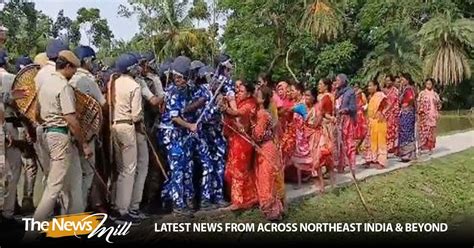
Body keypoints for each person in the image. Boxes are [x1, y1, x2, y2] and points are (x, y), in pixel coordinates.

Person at [31, 50, 90, 223]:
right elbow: (71, 118)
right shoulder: (63, 86)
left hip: (50, 134)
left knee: (75, 179)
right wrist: (84, 144)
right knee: (54, 186)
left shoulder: (45, 84)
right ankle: (32, 231)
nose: (74, 74)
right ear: (67, 66)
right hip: (61, 135)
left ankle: (75, 222)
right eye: (74, 70)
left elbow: (37, 114)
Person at [109, 53, 149, 224]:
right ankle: (123, 210)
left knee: (120, 169)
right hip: (127, 127)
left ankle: (116, 205)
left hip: (114, 126)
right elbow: (136, 115)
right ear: (131, 68)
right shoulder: (134, 86)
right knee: (129, 169)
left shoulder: (114, 83)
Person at [70, 45, 106, 210]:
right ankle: (80, 210)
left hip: (71, 132)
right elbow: (103, 104)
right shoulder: (87, 80)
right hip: (87, 133)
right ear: (86, 61)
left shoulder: (69, 79)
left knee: (74, 175)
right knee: (88, 172)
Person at [160, 56, 197, 217]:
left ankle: (188, 199)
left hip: (184, 136)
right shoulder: (173, 92)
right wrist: (190, 125)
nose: (183, 80)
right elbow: (174, 117)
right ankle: (177, 203)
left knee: (187, 167)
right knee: (177, 169)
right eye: (181, 77)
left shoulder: (186, 90)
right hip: (173, 135)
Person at [223, 80, 257, 211]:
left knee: (239, 170)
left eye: (241, 90)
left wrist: (227, 108)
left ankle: (238, 201)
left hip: (243, 142)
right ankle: (246, 198)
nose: (238, 92)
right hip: (235, 140)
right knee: (233, 168)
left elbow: (236, 114)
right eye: (237, 89)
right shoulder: (240, 101)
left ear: (248, 93)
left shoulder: (249, 104)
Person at [251, 85, 284, 221]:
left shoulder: (262, 114)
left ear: (263, 99)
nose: (255, 95)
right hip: (270, 147)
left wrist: (250, 128)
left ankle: (272, 212)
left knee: (266, 180)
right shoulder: (266, 113)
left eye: (258, 94)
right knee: (271, 179)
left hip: (265, 148)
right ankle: (276, 210)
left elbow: (258, 135)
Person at [0, 49, 23, 225]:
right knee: (13, 170)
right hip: (9, 125)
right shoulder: (11, 78)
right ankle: (7, 212)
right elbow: (20, 105)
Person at [334, 74, 356, 173]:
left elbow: (353, 107)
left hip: (347, 120)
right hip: (338, 120)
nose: (336, 82)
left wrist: (343, 110)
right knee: (339, 144)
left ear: (343, 81)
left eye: (338, 80)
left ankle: (352, 165)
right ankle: (341, 165)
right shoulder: (337, 93)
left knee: (349, 142)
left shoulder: (350, 92)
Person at [364, 80, 388, 169]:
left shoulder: (380, 95)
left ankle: (381, 162)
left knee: (380, 141)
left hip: (379, 122)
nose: (369, 88)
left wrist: (382, 113)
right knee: (372, 142)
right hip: (371, 122)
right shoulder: (371, 96)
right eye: (368, 86)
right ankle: (372, 159)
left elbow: (386, 105)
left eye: (370, 86)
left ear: (376, 86)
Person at [417, 78, 441, 154]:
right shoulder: (422, 93)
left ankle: (430, 148)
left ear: (432, 85)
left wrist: (437, 103)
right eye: (427, 84)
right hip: (424, 116)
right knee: (423, 131)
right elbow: (418, 104)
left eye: (430, 84)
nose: (428, 85)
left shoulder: (435, 94)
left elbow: (439, 105)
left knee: (431, 132)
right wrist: (419, 112)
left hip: (432, 115)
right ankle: (421, 147)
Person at [398, 73, 417, 162]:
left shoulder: (408, 89)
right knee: (405, 132)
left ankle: (408, 154)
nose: (401, 81)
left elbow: (411, 98)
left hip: (407, 113)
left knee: (407, 132)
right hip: (405, 113)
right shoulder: (404, 89)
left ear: (407, 80)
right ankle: (408, 154)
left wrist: (407, 105)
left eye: (403, 80)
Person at [383, 74, 400, 154]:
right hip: (384, 114)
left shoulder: (395, 91)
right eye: (386, 80)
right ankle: (387, 148)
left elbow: (396, 102)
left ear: (392, 82)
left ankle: (394, 148)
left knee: (394, 131)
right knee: (385, 131)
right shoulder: (383, 91)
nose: (387, 82)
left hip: (393, 114)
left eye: (389, 80)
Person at [354, 83, 368, 152]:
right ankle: (356, 148)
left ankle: (358, 146)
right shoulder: (353, 94)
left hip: (360, 115)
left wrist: (362, 109)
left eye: (356, 86)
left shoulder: (361, 94)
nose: (355, 88)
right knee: (356, 133)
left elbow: (365, 103)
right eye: (354, 86)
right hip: (355, 115)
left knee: (362, 132)